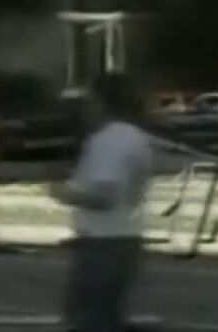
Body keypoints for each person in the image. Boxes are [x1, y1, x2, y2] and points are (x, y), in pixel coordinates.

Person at [50, 72, 154, 332]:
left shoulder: (110, 141)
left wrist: (61, 192)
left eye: (89, 100)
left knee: (88, 319)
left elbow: (104, 197)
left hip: (102, 244)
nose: (84, 109)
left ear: (102, 102)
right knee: (105, 318)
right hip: (124, 237)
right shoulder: (133, 136)